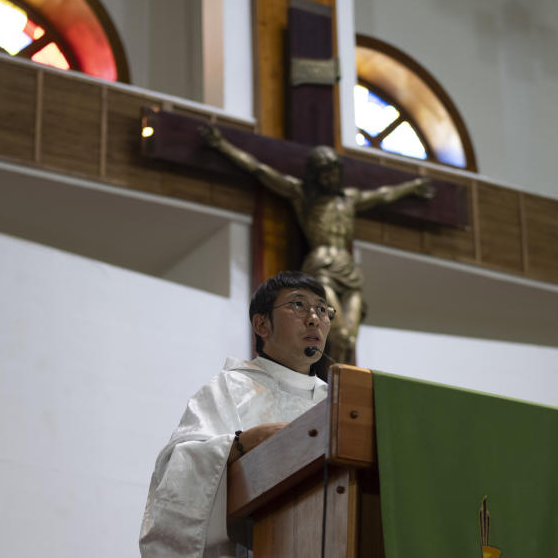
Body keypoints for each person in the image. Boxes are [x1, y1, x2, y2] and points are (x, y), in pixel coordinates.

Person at [139, 271, 335, 558]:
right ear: (261, 324)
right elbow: (174, 471)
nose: (314, 318)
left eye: (322, 309)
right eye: (298, 305)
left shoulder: (337, 402)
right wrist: (239, 445)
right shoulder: (230, 388)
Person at [201, 124, 433, 365]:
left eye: (333, 171)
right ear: (314, 174)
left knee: (349, 340)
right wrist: (222, 146)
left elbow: (384, 194)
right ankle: (334, 385)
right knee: (339, 333)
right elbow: (259, 170)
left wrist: (413, 187)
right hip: (321, 267)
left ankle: (345, 383)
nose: (329, 177)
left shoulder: (349, 199)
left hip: (349, 270)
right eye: (323, 172)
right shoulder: (303, 196)